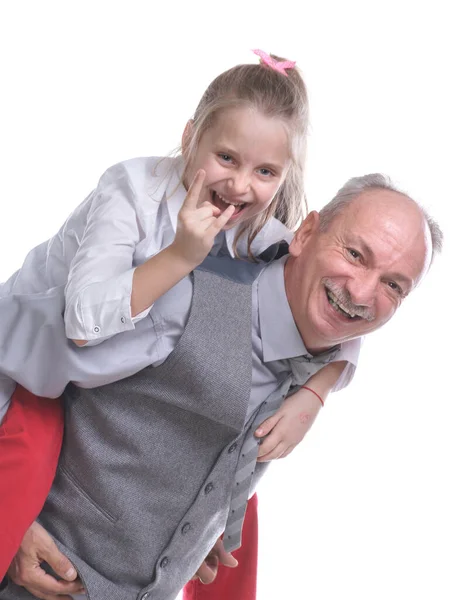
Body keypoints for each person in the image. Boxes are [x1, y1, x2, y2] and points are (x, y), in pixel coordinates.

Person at [0, 49, 353, 590]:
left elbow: (339, 311)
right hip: (32, 366)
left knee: (233, 495)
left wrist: (316, 393)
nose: (239, 187)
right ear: (190, 137)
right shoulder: (131, 191)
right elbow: (82, 321)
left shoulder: (258, 230)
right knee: (23, 472)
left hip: (121, 389)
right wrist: (180, 256)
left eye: (265, 172)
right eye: (227, 158)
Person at [0, 173, 442, 600]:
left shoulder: (323, 358)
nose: (363, 293)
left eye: (393, 285)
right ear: (306, 233)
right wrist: (10, 520)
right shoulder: (178, 301)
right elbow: (14, 346)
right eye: (355, 254)